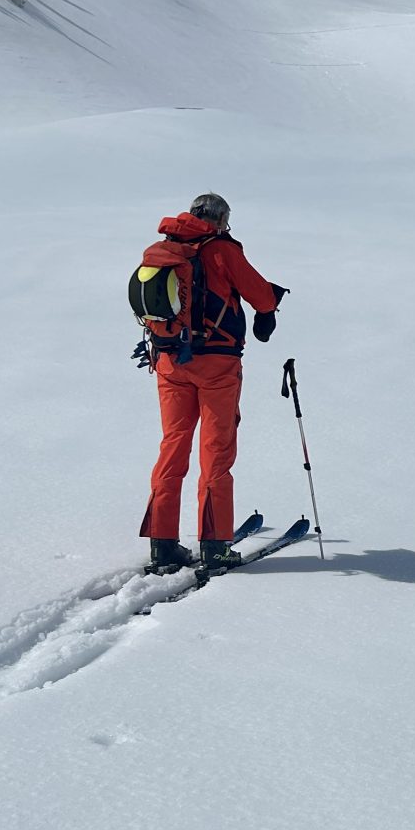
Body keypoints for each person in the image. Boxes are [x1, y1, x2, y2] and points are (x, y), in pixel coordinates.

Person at [138, 193, 285, 573]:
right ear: (219, 220)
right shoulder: (220, 249)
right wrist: (270, 306)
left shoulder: (165, 248)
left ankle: (163, 542)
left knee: (173, 446)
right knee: (216, 450)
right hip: (215, 363)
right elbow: (258, 294)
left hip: (169, 359)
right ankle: (215, 545)